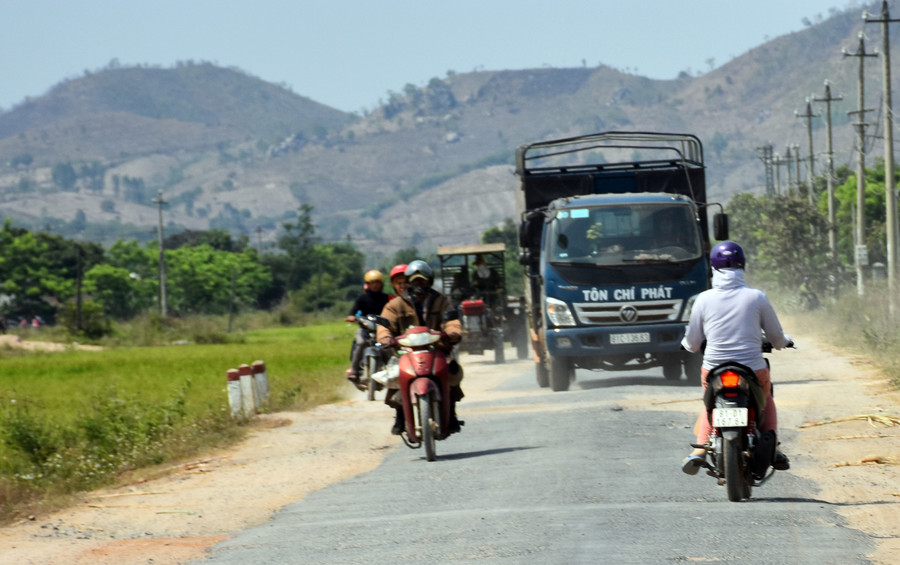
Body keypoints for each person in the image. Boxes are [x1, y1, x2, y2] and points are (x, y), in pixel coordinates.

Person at [680, 241, 792, 475]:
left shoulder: (703, 299)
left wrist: (685, 345)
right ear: (742, 266)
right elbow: (776, 337)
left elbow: (692, 343)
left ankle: (699, 450)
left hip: (714, 369)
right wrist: (783, 342)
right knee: (767, 397)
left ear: (713, 268)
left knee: (709, 402)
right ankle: (775, 448)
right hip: (752, 367)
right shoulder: (757, 297)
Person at [376, 259, 464, 435]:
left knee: (453, 372)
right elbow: (385, 324)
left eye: (422, 280)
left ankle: (451, 413)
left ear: (429, 281)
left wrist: (453, 332)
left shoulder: (441, 300)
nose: (418, 284)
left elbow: (451, 320)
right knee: (395, 376)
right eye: (414, 280)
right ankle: (400, 414)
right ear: (408, 282)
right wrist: (385, 337)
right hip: (405, 351)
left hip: (437, 348)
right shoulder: (395, 305)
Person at [344, 269, 391, 385]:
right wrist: (352, 317)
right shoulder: (362, 299)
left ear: (382, 284)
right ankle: (354, 369)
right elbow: (353, 311)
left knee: (390, 345)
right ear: (368, 284)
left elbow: (393, 310)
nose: (375, 285)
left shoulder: (387, 298)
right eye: (372, 282)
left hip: (382, 329)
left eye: (378, 282)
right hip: (365, 328)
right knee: (360, 342)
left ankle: (392, 370)